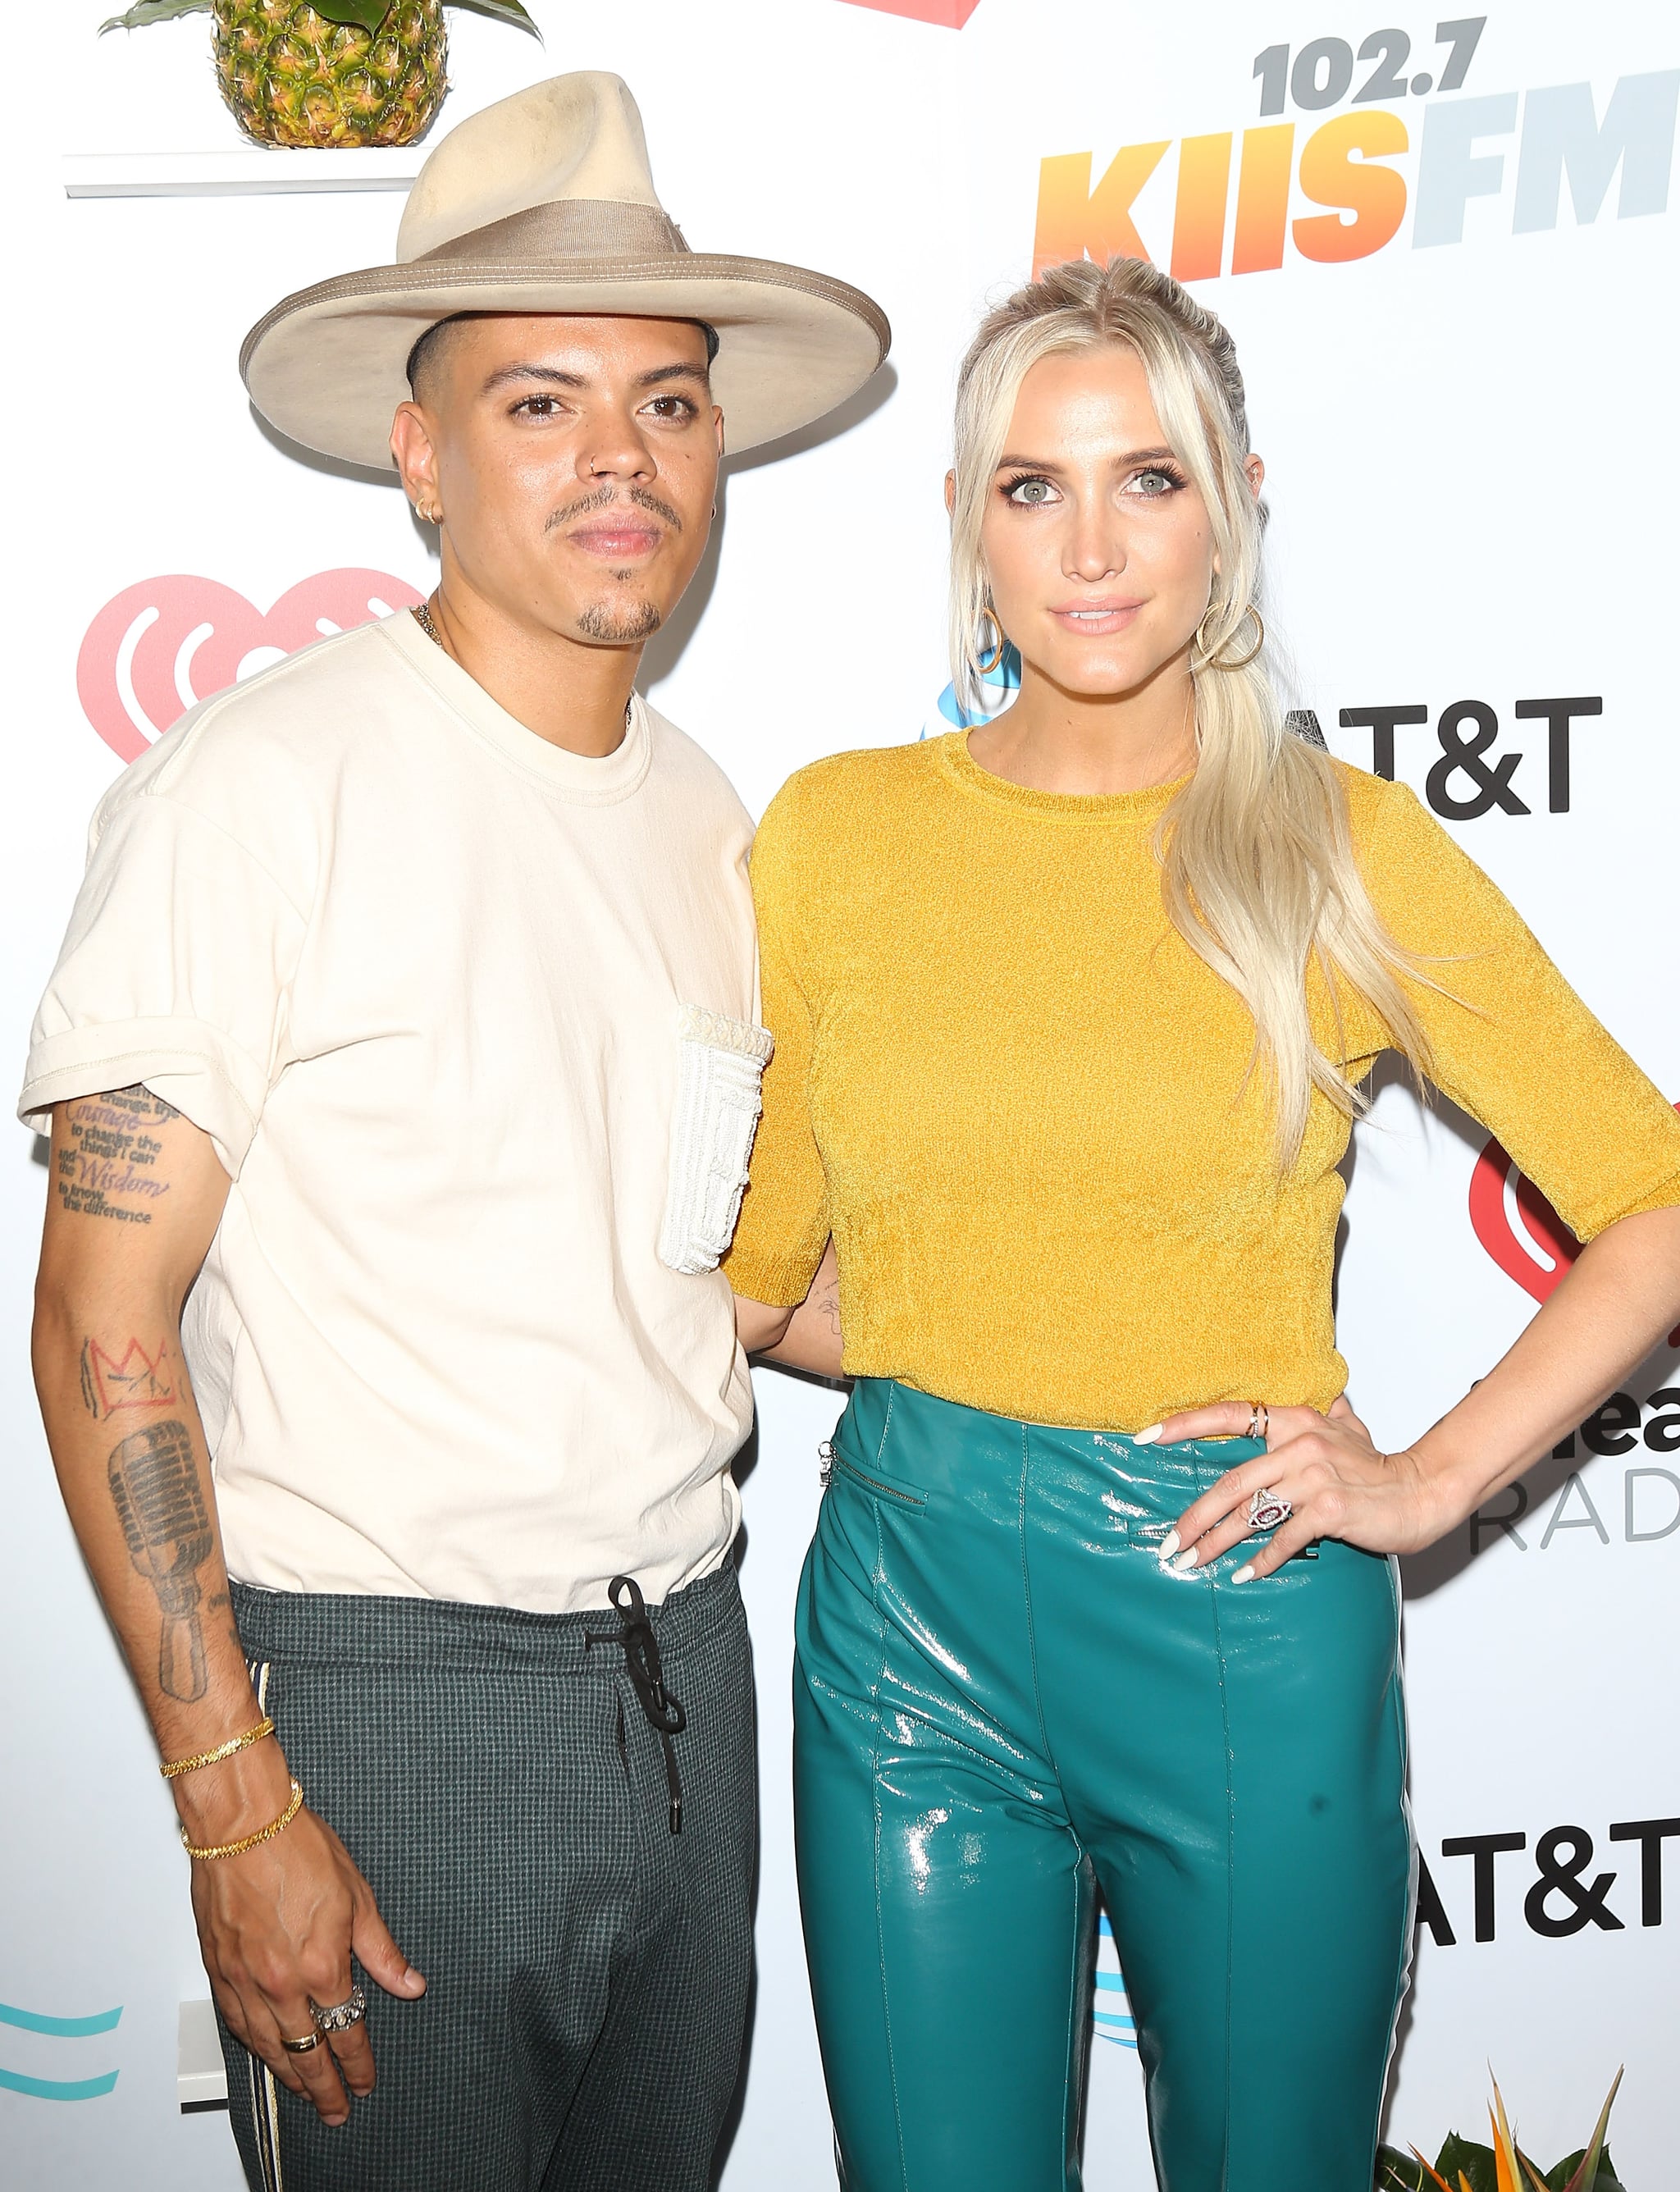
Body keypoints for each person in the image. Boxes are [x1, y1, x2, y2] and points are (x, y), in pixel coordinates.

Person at [726, 255, 1680, 2191]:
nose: (1090, 546)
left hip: (1239, 1621)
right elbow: (761, 1283)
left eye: (1148, 480)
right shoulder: (833, 837)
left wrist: (1423, 1479)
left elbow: (1652, 1197)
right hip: (901, 1624)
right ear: (962, 523)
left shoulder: (1334, 844)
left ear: (1236, 505)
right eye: (1031, 485)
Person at [24, 71, 884, 2192]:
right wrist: (238, 1798)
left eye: (671, 404)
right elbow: (96, 1317)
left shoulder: (713, 821)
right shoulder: (268, 780)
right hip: (385, 1712)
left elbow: (735, 1275)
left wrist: (1125, 1340)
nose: (622, 460)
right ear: (417, 451)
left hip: (693, 1670)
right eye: (540, 403)